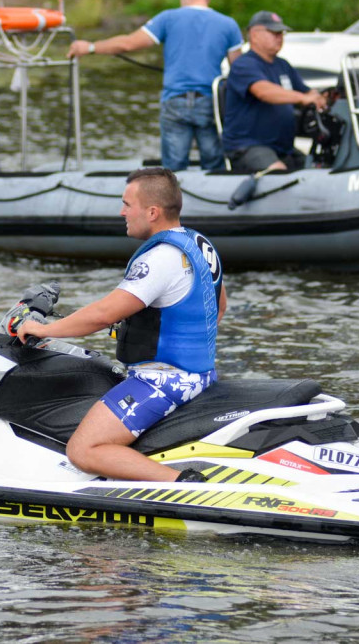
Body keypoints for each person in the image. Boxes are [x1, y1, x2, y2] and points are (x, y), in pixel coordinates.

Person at [17, 167, 227, 483]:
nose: (121, 211)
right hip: (200, 374)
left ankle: (183, 485)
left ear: (152, 212)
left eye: (128, 204)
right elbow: (218, 306)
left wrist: (42, 329)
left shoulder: (161, 258)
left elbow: (103, 313)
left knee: (83, 450)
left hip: (162, 382)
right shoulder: (197, 243)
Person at [67, 0, 242, 172]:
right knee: (214, 165)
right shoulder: (229, 24)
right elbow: (239, 70)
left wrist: (90, 47)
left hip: (175, 101)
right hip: (210, 104)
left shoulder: (168, 18)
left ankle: (171, 198)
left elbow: (128, 43)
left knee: (173, 169)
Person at [221, 10, 326, 174]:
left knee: (315, 170)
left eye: (281, 33)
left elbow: (307, 91)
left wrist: (322, 97)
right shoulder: (244, 65)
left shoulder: (283, 65)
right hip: (248, 147)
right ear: (254, 35)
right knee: (278, 173)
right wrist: (303, 98)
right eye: (274, 33)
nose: (280, 37)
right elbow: (263, 91)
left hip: (282, 148)